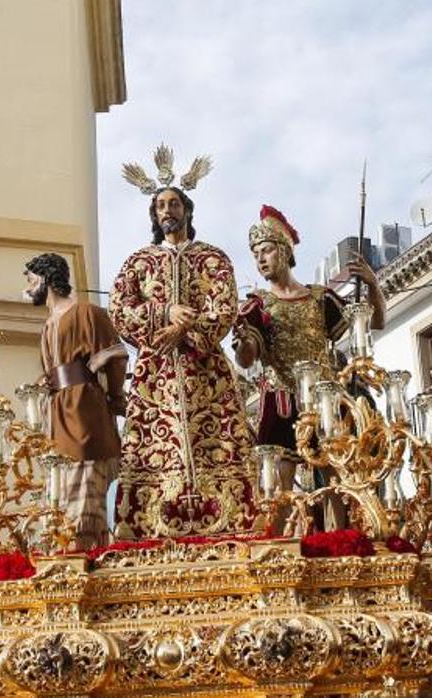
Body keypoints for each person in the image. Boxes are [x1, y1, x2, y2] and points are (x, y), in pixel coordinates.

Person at [109, 181, 257, 539]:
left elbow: (223, 307)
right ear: (154, 215)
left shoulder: (213, 259)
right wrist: (164, 314)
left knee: (220, 440)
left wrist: (183, 331)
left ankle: (231, 519)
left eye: (174, 204)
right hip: (155, 374)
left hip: (205, 371)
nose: (167, 211)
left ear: (187, 210)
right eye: (160, 206)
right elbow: (119, 308)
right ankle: (148, 524)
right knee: (149, 447)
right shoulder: (139, 262)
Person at [233, 205, 385, 530]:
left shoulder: (320, 298)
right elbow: (246, 358)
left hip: (324, 401)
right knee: (278, 488)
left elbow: (375, 323)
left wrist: (372, 285)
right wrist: (244, 342)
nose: (260, 259)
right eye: (255, 253)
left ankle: (339, 542)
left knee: (335, 479)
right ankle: (284, 549)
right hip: (280, 402)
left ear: (285, 252)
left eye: (267, 250)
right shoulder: (257, 305)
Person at [23, 253, 128, 551]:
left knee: (84, 495)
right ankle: (63, 552)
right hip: (56, 415)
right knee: (58, 494)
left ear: (45, 279)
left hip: (83, 412)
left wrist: (116, 397)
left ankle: (82, 555)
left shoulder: (87, 313)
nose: (29, 288)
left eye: (31, 280)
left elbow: (115, 356)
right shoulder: (47, 325)